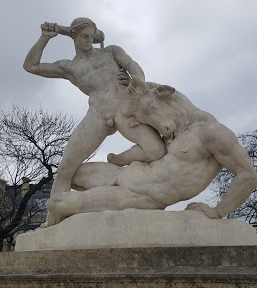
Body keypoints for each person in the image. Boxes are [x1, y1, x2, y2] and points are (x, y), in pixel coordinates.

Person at [45, 78, 257, 225]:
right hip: (127, 174)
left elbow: (248, 175)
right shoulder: (174, 129)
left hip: (142, 195)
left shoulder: (212, 133)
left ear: (164, 97)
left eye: (150, 112)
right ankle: (97, 207)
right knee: (73, 174)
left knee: (56, 203)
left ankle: (101, 207)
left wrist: (218, 211)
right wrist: (129, 80)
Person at [23, 18, 166, 225]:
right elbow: (30, 66)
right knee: (65, 169)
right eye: (83, 37)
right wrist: (45, 38)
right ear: (74, 37)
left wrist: (136, 81)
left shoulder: (111, 52)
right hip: (98, 115)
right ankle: (52, 222)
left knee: (156, 151)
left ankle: (117, 161)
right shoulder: (70, 67)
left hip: (124, 110)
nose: (88, 40)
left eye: (91, 36)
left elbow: (134, 66)